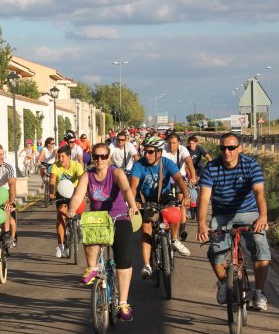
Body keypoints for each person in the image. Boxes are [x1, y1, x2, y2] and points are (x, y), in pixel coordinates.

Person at [196, 132, 270, 310]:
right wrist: (201, 224)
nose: (227, 151)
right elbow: (204, 199)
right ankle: (224, 283)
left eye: (231, 148)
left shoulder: (250, 164)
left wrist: (263, 215)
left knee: (260, 245)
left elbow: (259, 192)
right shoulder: (212, 167)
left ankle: (258, 292)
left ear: (239, 148)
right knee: (215, 251)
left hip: (248, 211)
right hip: (222, 214)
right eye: (223, 148)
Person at [68, 143, 139, 321]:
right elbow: (78, 195)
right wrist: (71, 210)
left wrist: (132, 206)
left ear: (109, 158)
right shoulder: (88, 175)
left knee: (123, 260)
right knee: (89, 233)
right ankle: (92, 269)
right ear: (92, 157)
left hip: (119, 217)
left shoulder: (116, 173)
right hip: (98, 218)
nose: (99, 160)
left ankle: (123, 302)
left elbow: (126, 189)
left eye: (103, 156)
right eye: (96, 156)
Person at [129, 136, 191, 280]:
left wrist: (186, 195)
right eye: (145, 151)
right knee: (146, 229)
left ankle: (174, 240)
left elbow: (179, 180)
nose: (147, 155)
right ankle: (147, 265)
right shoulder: (139, 165)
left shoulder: (167, 163)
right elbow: (132, 188)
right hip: (144, 198)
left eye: (151, 152)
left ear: (159, 153)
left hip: (163, 195)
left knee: (175, 212)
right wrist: (132, 204)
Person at [49, 146, 85, 258]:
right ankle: (61, 245)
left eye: (63, 156)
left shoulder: (77, 165)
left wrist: (83, 191)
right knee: (61, 215)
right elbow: (52, 180)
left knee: (79, 210)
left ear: (69, 156)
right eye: (59, 156)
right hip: (61, 191)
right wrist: (51, 192)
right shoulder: (55, 166)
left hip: (75, 191)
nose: (60, 159)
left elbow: (82, 179)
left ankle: (78, 225)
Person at [163, 133, 197, 240]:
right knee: (165, 203)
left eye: (174, 143)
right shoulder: (164, 149)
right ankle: (165, 226)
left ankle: (182, 229)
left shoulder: (183, 150)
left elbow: (189, 163)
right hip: (166, 178)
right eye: (169, 143)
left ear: (178, 143)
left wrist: (193, 177)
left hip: (180, 178)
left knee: (181, 203)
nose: (171, 145)